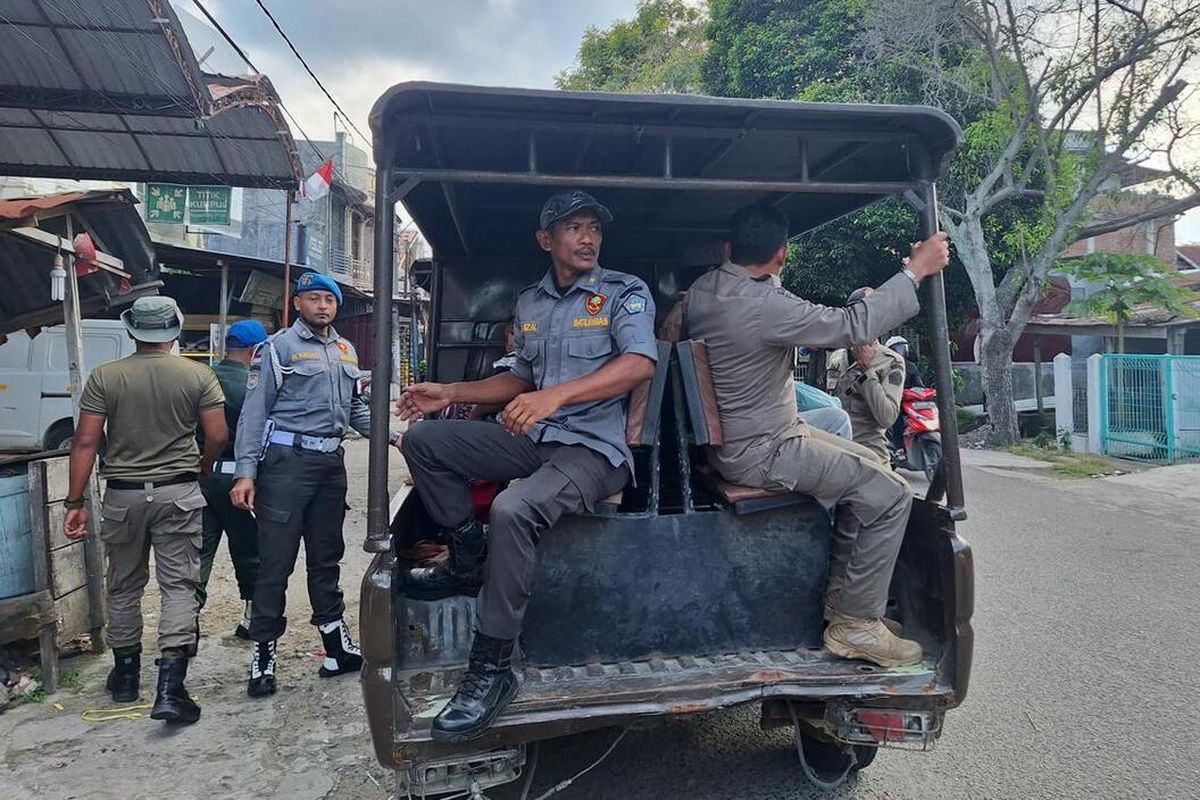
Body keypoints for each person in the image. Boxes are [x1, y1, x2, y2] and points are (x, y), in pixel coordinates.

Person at [395, 189, 657, 742]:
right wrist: (449, 391)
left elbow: (638, 363)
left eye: (594, 228)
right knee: (424, 441)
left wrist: (555, 397)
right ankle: (467, 554)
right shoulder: (532, 303)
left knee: (513, 508)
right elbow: (519, 379)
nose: (588, 238)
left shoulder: (622, 293)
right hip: (537, 439)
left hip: (594, 450)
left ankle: (491, 670)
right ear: (546, 240)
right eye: (574, 228)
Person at [683, 203, 950, 668]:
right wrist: (915, 271)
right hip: (765, 450)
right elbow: (853, 326)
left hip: (751, 439)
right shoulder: (766, 306)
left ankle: (845, 606)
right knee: (891, 495)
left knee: (876, 471)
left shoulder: (706, 289)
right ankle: (856, 625)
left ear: (730, 248)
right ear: (782, 254)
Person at [230, 272, 401, 698]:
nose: (323, 306)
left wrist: (395, 436)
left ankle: (335, 648)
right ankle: (263, 656)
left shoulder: (345, 351)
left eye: (329, 299)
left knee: (327, 557)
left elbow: (355, 412)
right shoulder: (277, 348)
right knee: (276, 561)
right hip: (286, 464)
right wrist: (245, 472)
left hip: (330, 464)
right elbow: (254, 413)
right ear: (297, 304)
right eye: (314, 298)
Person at [63, 296, 227, 725]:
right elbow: (218, 434)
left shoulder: (105, 377)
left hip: (123, 495)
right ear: (175, 330)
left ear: (133, 330)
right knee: (179, 586)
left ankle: (126, 677)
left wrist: (75, 501)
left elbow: (84, 442)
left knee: (123, 586)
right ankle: (171, 690)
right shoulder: (198, 375)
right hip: (178, 493)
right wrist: (203, 466)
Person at [196, 319, 269, 638]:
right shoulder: (255, 383)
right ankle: (251, 618)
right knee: (250, 550)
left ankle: (187, 625)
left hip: (202, 477)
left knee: (198, 551)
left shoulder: (203, 378)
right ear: (256, 350)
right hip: (242, 478)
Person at [826, 288, 906, 463]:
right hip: (836, 455)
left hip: (869, 457)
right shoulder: (836, 358)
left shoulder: (891, 361)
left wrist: (866, 371)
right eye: (855, 315)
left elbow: (887, 418)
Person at [883, 335, 923, 453]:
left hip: (909, 402)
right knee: (897, 418)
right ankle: (899, 447)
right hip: (894, 402)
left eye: (902, 348)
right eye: (896, 349)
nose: (900, 352)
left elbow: (919, 385)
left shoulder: (911, 366)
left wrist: (919, 392)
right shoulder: (886, 367)